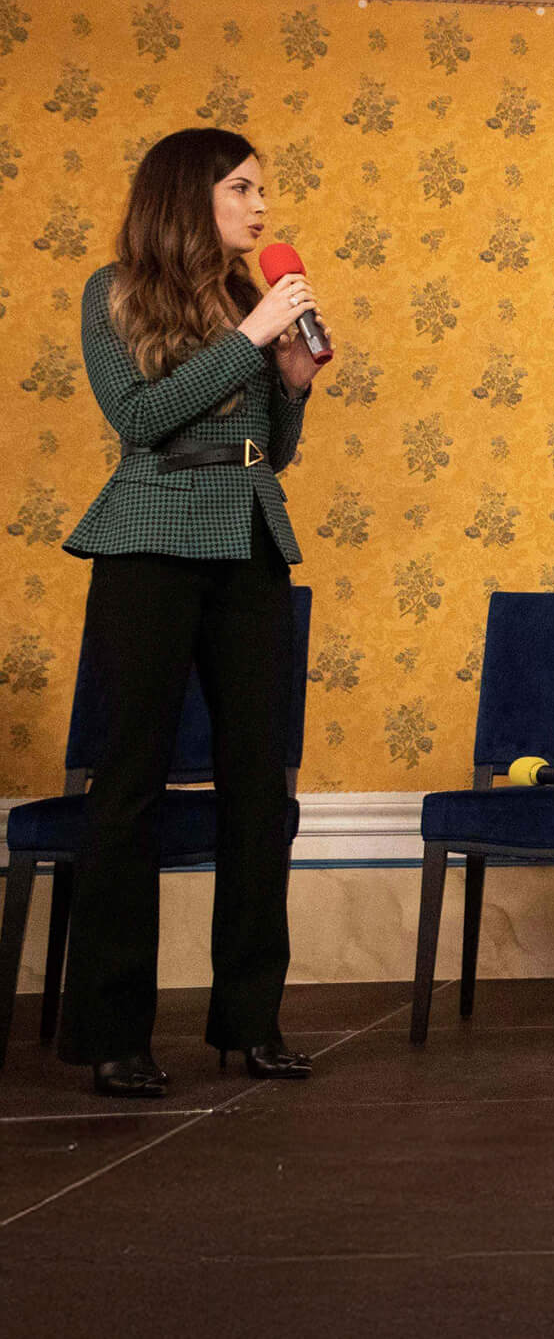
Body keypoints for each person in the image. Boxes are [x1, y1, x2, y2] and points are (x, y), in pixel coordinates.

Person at [60, 127, 326, 1097]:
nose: (260, 206)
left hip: (250, 538)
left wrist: (291, 387)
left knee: (259, 786)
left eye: (261, 190)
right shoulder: (115, 292)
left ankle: (251, 1021)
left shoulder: (252, 296)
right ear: (189, 196)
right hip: (149, 541)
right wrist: (249, 342)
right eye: (242, 189)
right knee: (129, 783)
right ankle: (114, 1034)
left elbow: (272, 450)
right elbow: (139, 419)